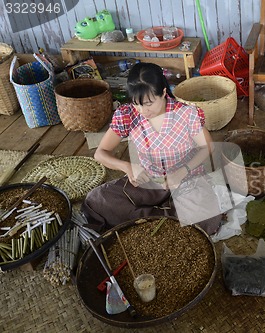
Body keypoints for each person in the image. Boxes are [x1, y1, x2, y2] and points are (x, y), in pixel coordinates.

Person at [81, 62, 221, 234]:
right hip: (148, 180)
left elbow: (207, 147)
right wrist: (128, 167)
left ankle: (148, 219)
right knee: (96, 200)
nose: (143, 110)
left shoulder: (185, 114)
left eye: (149, 103)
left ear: (163, 92)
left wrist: (183, 170)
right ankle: (167, 220)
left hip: (187, 181)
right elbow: (100, 153)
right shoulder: (128, 115)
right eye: (136, 103)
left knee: (208, 220)